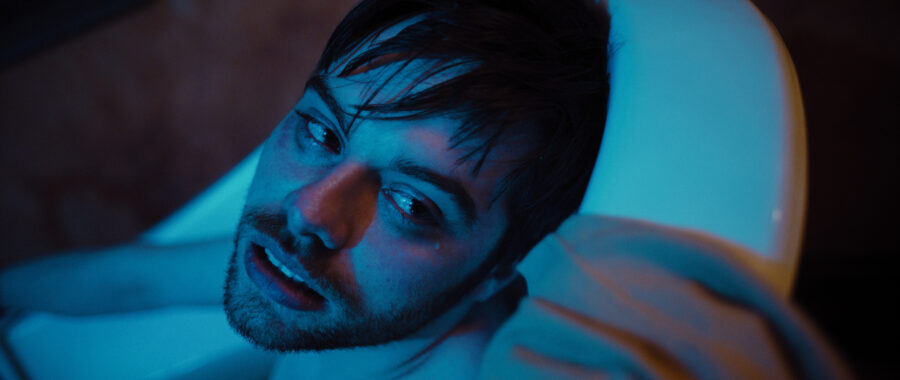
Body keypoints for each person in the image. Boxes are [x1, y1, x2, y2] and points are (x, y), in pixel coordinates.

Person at [0, 0, 851, 378]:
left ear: (501, 268)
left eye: (413, 205)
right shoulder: (303, 272)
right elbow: (141, 276)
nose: (308, 211)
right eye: (322, 130)